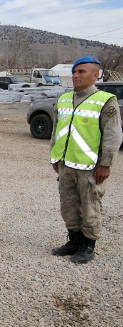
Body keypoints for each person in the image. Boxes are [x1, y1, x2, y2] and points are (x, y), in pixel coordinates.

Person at [50, 56, 122, 264]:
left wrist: (106, 164)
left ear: (95, 74)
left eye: (81, 72)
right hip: (66, 165)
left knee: (90, 206)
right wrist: (55, 157)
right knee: (68, 206)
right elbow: (57, 131)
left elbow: (112, 136)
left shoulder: (105, 101)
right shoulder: (64, 99)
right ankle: (73, 241)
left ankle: (88, 246)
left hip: (90, 168)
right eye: (74, 72)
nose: (76, 76)